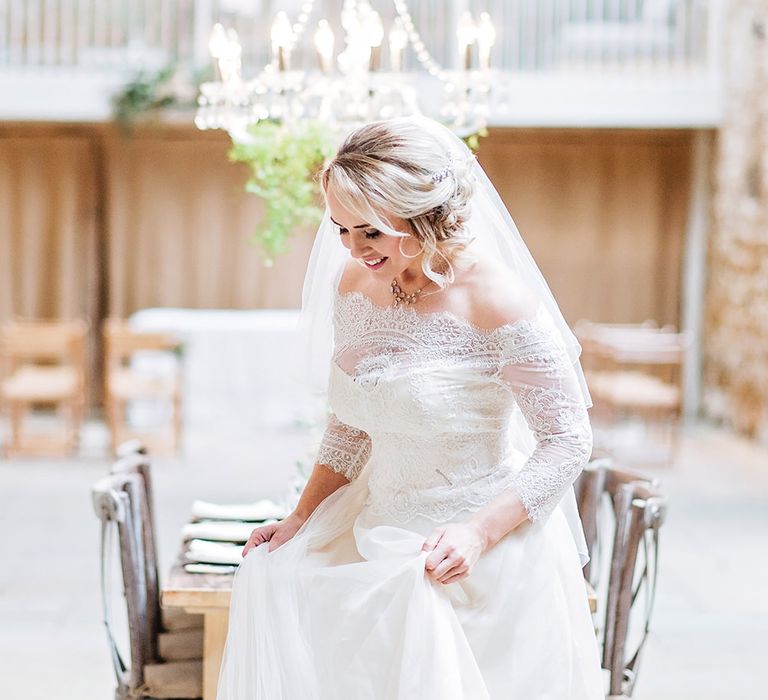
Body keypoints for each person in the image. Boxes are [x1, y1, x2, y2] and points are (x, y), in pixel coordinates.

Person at [216, 117, 604, 699]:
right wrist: (301, 519)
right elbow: (350, 423)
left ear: (420, 214)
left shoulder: (496, 299)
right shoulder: (354, 284)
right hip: (375, 533)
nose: (351, 248)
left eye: (369, 232)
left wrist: (476, 534)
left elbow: (569, 439)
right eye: (340, 229)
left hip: (479, 561)